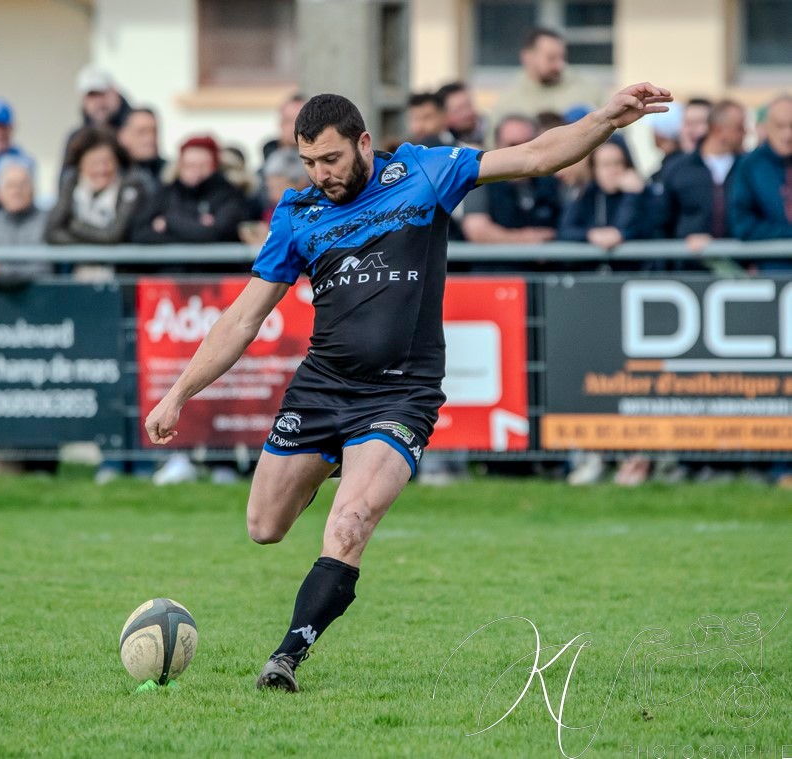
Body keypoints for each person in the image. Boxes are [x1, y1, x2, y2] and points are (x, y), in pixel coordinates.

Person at [144, 83, 672, 692]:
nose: (321, 175)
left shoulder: (423, 171)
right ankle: (337, 466)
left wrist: (606, 118)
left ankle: (284, 659)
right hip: (322, 387)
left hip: (400, 395)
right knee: (264, 526)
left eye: (332, 160)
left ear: (364, 143)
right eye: (309, 162)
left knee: (351, 524)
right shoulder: (298, 214)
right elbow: (242, 318)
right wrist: (177, 392)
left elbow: (535, 155)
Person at [654, 99, 747, 254]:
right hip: (688, 267)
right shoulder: (677, 169)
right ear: (718, 128)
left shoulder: (748, 167)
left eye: (698, 123)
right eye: (687, 123)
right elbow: (661, 222)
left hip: (740, 267)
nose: (692, 130)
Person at [460, 115, 561, 246]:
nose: (521, 151)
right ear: (496, 146)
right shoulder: (480, 180)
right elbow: (477, 231)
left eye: (528, 143)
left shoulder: (550, 181)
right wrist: (527, 239)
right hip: (495, 264)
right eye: (513, 145)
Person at [133, 135, 246, 245]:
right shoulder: (166, 193)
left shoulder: (229, 195)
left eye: (202, 166)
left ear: (214, 166)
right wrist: (195, 226)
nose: (195, 172)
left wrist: (169, 222)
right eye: (189, 165)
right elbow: (139, 233)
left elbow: (215, 234)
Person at [47, 128, 148, 250]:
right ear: (81, 165)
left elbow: (114, 235)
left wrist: (74, 225)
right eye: (94, 163)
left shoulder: (132, 186)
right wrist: (90, 246)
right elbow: (52, 232)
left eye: (107, 162)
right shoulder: (71, 183)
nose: (101, 170)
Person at [488, 27, 605, 130]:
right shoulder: (509, 101)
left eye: (562, 57)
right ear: (527, 57)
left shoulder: (587, 89)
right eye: (551, 58)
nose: (560, 65)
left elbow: (613, 131)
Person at [558, 139, 654, 252]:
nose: (613, 170)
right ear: (594, 169)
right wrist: (591, 235)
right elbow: (565, 230)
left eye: (618, 163)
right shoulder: (585, 195)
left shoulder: (645, 194)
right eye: (606, 165)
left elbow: (637, 228)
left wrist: (632, 196)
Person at [729, 95, 792, 262]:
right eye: (780, 126)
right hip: (771, 273)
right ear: (766, 127)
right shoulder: (750, 166)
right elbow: (743, 225)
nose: (788, 134)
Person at [0, 157, 51, 286]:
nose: (17, 191)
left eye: (23, 185)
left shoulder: (46, 220)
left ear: (33, 189)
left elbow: (43, 269)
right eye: (10, 186)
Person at [60, 66, 133, 187]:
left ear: (115, 92)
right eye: (91, 96)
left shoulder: (133, 130)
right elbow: (64, 182)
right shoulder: (76, 139)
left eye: (102, 94)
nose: (98, 102)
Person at [118, 108, 166, 186]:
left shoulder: (170, 174)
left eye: (154, 131)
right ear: (122, 136)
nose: (150, 139)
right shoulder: (108, 173)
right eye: (141, 132)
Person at [435, 81, 486, 147]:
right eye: (459, 110)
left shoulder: (491, 131)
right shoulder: (440, 143)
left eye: (469, 105)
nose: (467, 113)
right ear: (442, 115)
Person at [262, 93, 306, 161]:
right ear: (280, 124)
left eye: (301, 121)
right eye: (289, 120)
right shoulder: (268, 163)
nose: (294, 127)